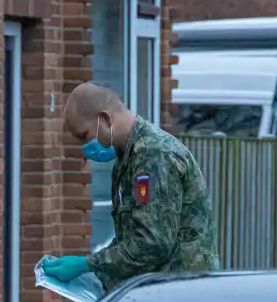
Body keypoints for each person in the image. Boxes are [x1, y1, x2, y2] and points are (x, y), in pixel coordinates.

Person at [45, 82, 220, 291]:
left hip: (183, 294)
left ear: (105, 119)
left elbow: (153, 244)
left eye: (86, 135)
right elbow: (132, 237)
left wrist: (88, 265)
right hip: (163, 292)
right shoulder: (129, 157)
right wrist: (93, 267)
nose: (86, 146)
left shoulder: (154, 156)